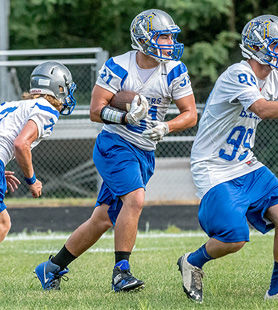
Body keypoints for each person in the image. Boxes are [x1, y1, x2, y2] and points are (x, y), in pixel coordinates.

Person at [176, 14, 278, 303]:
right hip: (213, 167)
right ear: (257, 46)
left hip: (245, 163)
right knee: (235, 237)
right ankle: (192, 261)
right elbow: (262, 109)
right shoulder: (237, 74)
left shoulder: (277, 78)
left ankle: (276, 291)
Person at [35, 9, 197, 292]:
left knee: (102, 219)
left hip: (145, 150)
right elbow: (96, 112)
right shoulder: (119, 66)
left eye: (171, 37)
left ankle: (51, 268)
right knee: (135, 200)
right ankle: (121, 272)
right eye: (163, 37)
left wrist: (166, 128)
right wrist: (124, 117)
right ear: (144, 39)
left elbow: (190, 114)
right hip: (115, 143)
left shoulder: (174, 69)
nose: (170, 43)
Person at [0, 61, 77, 242]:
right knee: (3, 224)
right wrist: (32, 180)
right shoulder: (47, 110)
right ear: (58, 88)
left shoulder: (11, 105)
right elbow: (21, 144)